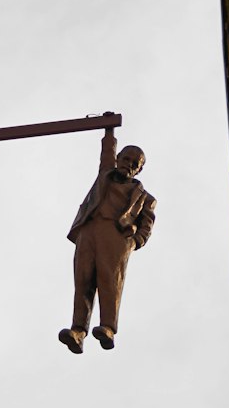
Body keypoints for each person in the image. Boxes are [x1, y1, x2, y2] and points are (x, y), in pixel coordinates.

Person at [59, 124, 156, 353]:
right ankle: (78, 331)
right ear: (119, 158)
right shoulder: (105, 175)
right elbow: (107, 153)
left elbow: (147, 225)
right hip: (89, 230)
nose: (129, 164)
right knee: (83, 280)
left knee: (109, 281)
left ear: (138, 170)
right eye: (126, 158)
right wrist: (109, 130)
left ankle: (108, 328)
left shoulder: (145, 198)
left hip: (116, 236)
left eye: (135, 164)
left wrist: (135, 242)